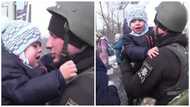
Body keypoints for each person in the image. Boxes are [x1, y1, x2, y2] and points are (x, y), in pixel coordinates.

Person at [122, 2, 188, 105]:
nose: (153, 27)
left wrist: (124, 63)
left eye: (156, 23)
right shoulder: (182, 49)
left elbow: (133, 90)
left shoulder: (159, 56)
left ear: (163, 28)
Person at [2, 20, 76, 104]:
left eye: (40, 45)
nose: (40, 49)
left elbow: (43, 66)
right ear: (19, 49)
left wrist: (54, 58)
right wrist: (59, 77)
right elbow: (24, 92)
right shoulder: (6, 67)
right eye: (35, 46)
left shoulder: (27, 65)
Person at [40, 2, 94, 105]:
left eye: (54, 36)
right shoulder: (56, 66)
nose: (48, 44)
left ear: (77, 40)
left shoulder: (85, 89)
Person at [120, 5, 157, 73]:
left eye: (140, 20)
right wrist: (146, 52)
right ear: (129, 24)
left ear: (145, 22)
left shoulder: (151, 32)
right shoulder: (128, 37)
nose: (137, 23)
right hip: (138, 66)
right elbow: (130, 49)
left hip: (153, 63)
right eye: (133, 21)